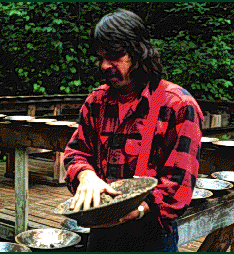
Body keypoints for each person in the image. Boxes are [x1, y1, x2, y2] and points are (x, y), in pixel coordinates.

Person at [63, 9, 204, 252]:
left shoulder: (178, 106)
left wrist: (139, 209)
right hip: (101, 233)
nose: (105, 66)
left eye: (115, 56)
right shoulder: (97, 102)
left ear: (139, 52)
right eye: (101, 58)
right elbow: (76, 153)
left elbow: (179, 184)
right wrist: (86, 176)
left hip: (152, 235)